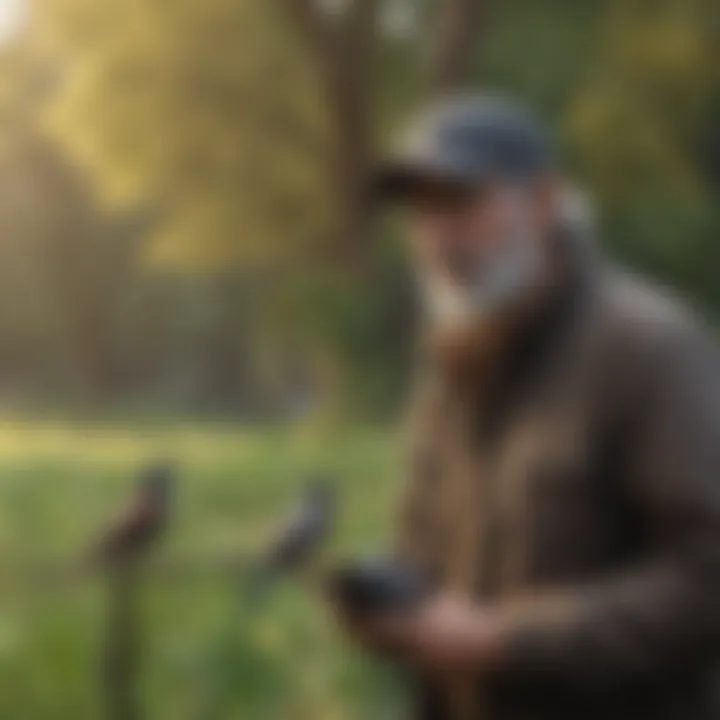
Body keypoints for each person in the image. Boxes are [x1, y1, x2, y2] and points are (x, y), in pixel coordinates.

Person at [331, 93, 720, 719]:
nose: (437, 237)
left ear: (542, 202)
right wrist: (394, 609)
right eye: (420, 211)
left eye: (460, 202)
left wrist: (508, 641)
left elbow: (707, 574)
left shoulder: (650, 347)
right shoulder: (449, 366)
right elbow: (422, 550)